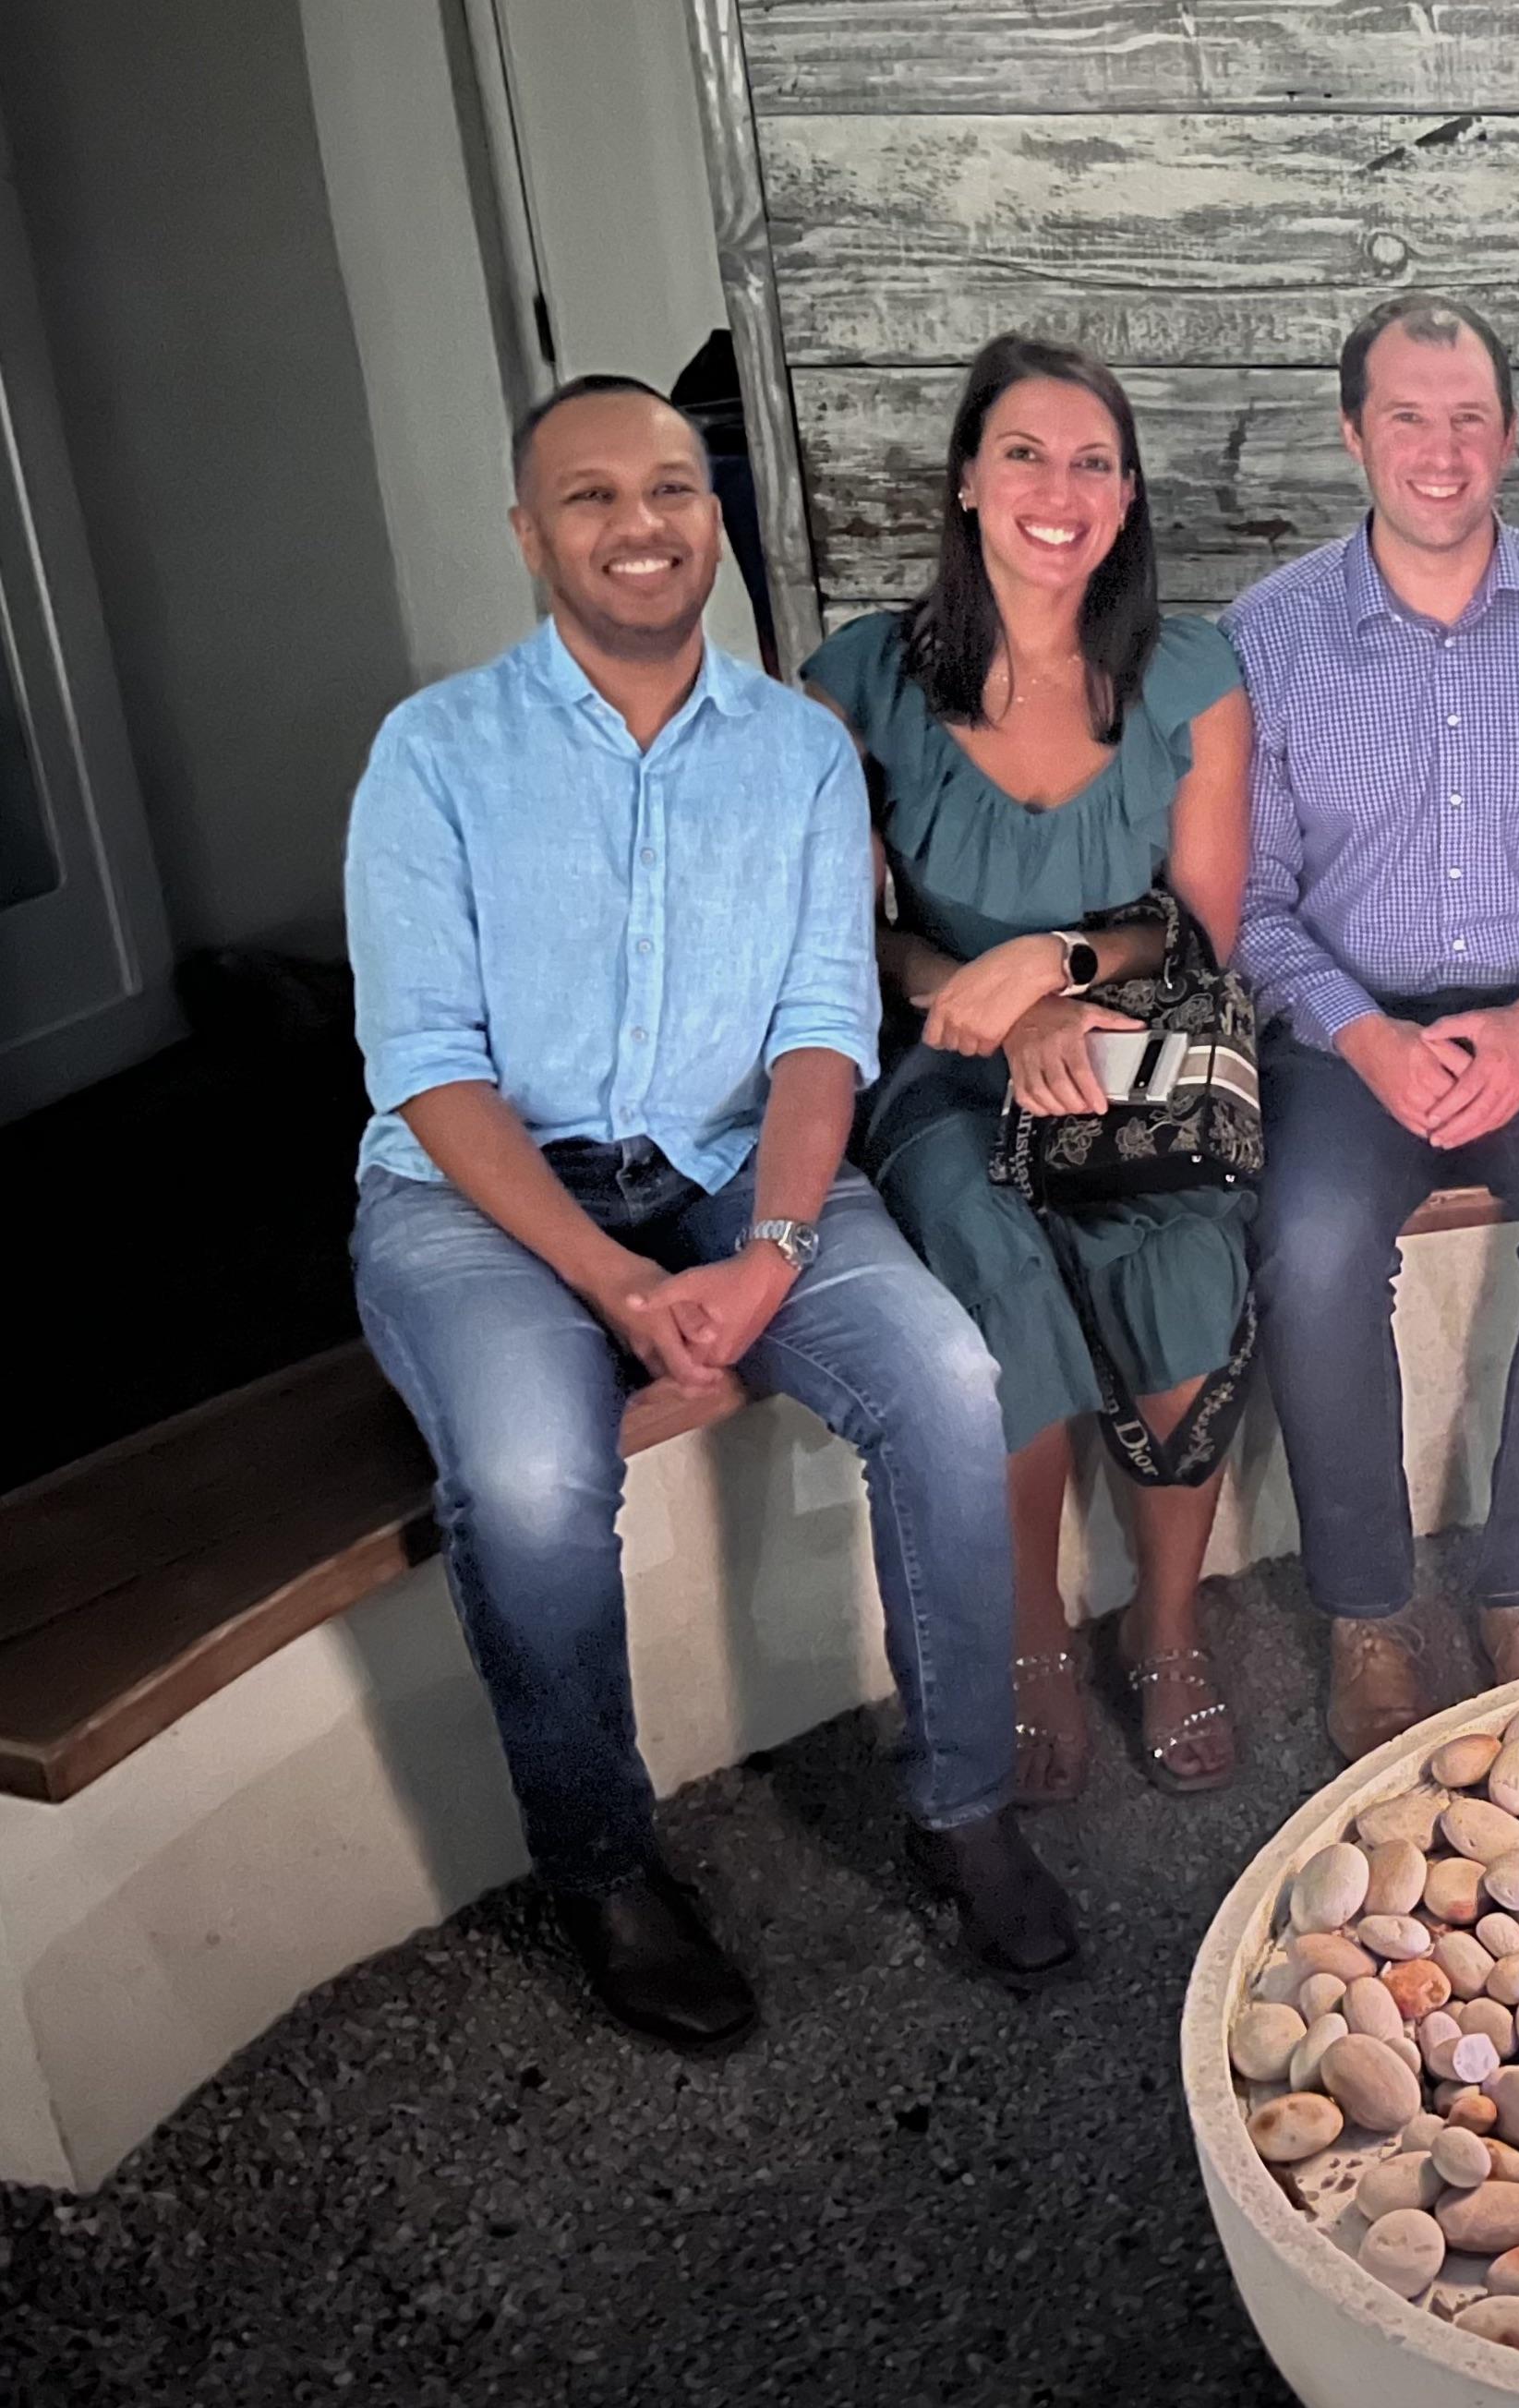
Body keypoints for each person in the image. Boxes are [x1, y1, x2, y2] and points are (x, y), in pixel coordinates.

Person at [345, 377, 1078, 2053]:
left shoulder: (798, 751)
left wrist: (774, 1253)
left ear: (712, 520)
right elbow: (429, 1068)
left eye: (672, 489)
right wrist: (613, 1282)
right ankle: (602, 1865)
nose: (642, 524)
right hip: (482, 1196)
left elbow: (823, 1026)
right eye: (592, 496)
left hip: (737, 1162)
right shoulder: (436, 754)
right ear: (529, 536)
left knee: (946, 1382)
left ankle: (963, 1807)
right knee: (532, 1478)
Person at [1226, 293, 1519, 1759]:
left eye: (1469, 419)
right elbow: (1247, 902)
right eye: (1407, 418)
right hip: (1344, 1030)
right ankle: (1368, 1613)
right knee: (1311, 1248)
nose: (1441, 452)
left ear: (1512, 436)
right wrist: (1361, 1034)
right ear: (1352, 432)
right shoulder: (1270, 636)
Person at [806, 332, 1257, 1804]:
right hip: (943, 1059)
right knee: (987, 1260)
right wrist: (987, 1004)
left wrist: (1061, 973)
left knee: (1185, 1253)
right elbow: (831, 938)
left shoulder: (1190, 676)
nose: (1059, 492)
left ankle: (1167, 1631)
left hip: (1130, 1041)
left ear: (1125, 499)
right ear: (965, 481)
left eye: (1092, 464)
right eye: (1025, 456)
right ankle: (1032, 1638)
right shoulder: (859, 681)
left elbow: (1203, 930)